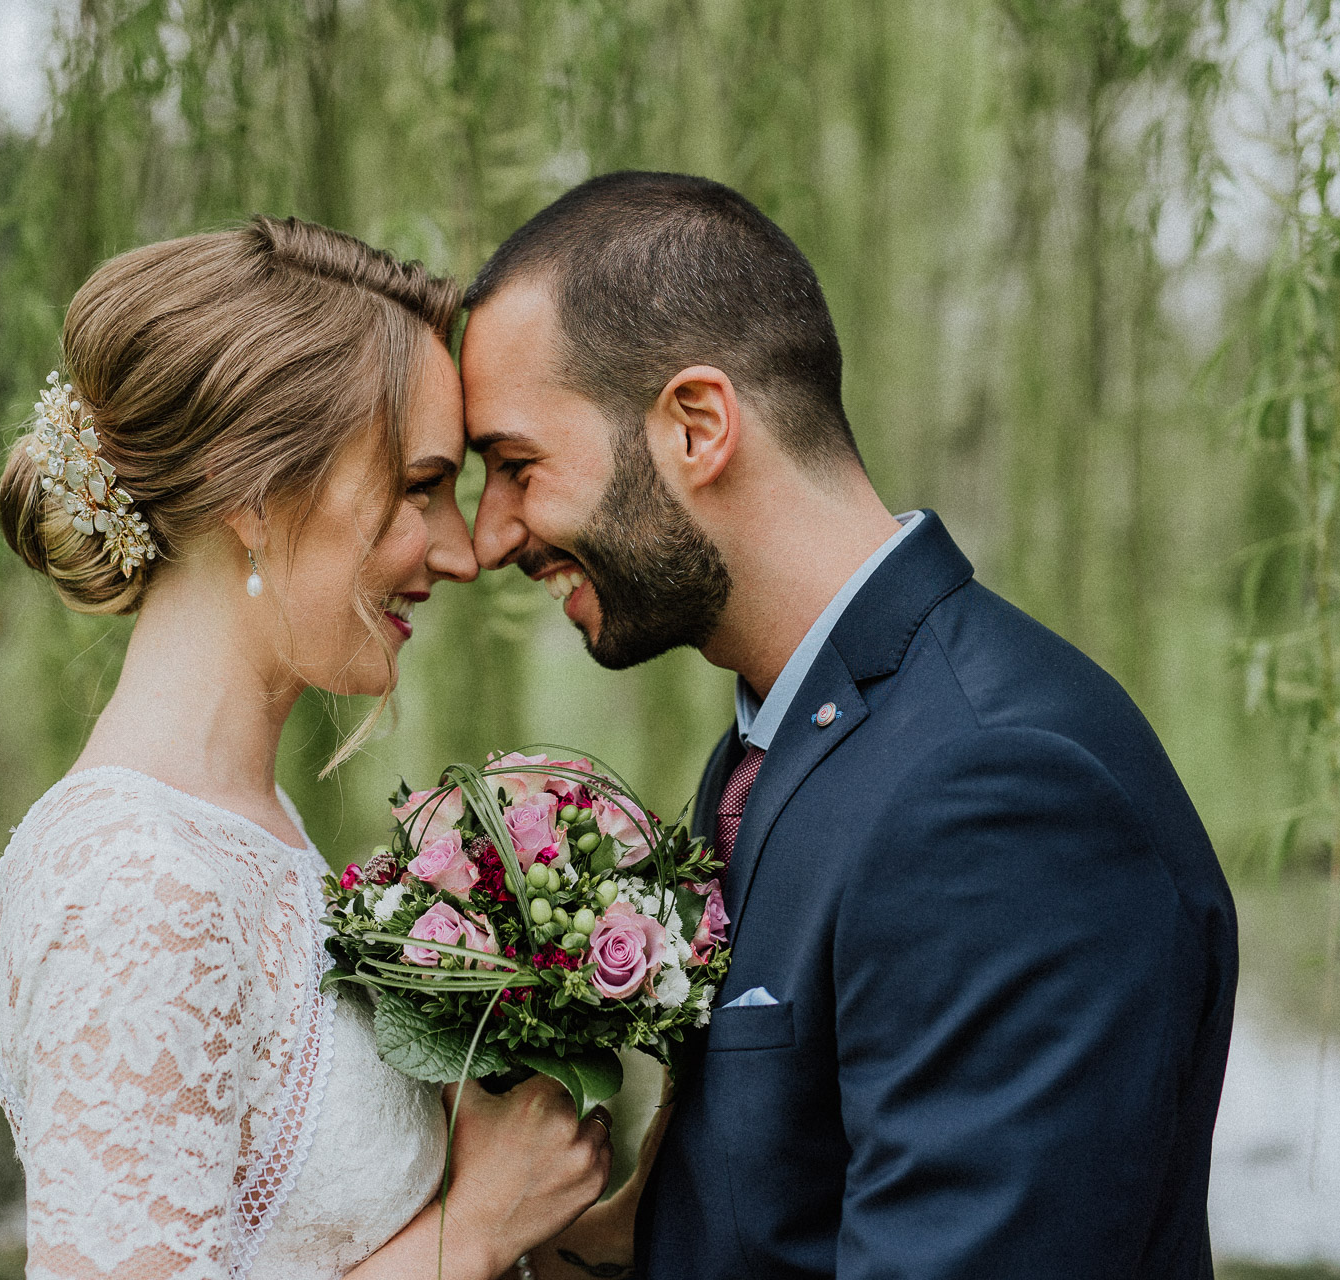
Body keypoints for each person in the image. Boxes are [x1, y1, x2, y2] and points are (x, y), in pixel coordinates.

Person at [460, 171, 1239, 1279]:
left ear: (696, 425)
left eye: (516, 466)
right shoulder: (781, 747)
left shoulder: (995, 792)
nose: (490, 536)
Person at [0, 217, 611, 1280]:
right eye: (419, 486)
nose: (460, 552)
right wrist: (478, 1230)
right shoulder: (141, 886)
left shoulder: (243, 824)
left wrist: (595, 1213)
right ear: (257, 494)